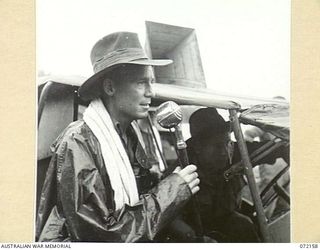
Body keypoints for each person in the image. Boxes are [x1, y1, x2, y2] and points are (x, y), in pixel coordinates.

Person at [36, 32, 200, 242]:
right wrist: (172, 191)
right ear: (110, 87)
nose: (151, 92)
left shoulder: (130, 133)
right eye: (141, 83)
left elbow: (141, 191)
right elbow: (100, 235)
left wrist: (171, 180)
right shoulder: (78, 142)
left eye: (151, 82)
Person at [183, 107, 289, 242]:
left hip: (232, 221)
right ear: (198, 147)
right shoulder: (182, 170)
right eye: (217, 146)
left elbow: (274, 149)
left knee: (247, 224)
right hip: (200, 233)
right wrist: (194, 238)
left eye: (228, 143)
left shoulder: (236, 152)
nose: (224, 152)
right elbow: (171, 219)